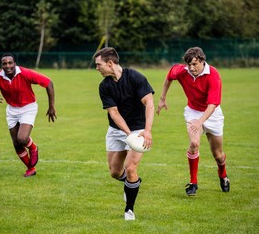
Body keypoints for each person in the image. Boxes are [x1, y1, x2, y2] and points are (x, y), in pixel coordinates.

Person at [156, 47, 230, 196]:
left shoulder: (213, 75)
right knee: (194, 144)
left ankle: (223, 175)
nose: (191, 68)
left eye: (195, 64)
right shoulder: (182, 71)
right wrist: (162, 98)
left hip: (212, 113)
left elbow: (213, 104)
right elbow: (169, 76)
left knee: (218, 154)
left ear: (202, 61)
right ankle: (193, 183)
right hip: (193, 111)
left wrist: (200, 121)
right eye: (189, 65)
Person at [93, 47, 155, 220]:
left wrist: (146, 131)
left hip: (138, 129)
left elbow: (149, 103)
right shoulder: (104, 86)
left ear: (110, 63)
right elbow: (113, 112)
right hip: (116, 129)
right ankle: (133, 183)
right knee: (114, 172)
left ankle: (129, 210)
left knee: (130, 168)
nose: (97, 68)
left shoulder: (135, 77)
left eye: (99, 65)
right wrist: (128, 134)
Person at [0, 53, 56, 177]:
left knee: (22, 139)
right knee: (16, 143)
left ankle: (33, 148)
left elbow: (48, 83)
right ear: (2, 65)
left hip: (28, 108)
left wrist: (51, 106)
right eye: (4, 63)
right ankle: (30, 169)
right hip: (12, 110)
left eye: (10, 63)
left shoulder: (25, 73)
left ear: (15, 63)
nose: (8, 66)